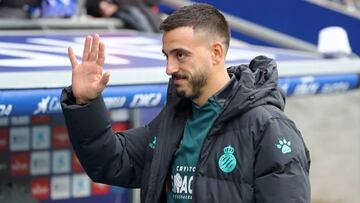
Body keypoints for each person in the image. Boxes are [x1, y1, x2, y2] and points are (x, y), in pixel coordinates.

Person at [61, 3, 311, 202]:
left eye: (180, 54)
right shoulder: (173, 121)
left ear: (216, 53)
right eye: (167, 56)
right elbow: (112, 162)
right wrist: (85, 102)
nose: (169, 68)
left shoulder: (268, 127)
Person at [85, 0, 161, 32]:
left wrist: (116, 5)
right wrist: (101, 5)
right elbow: (89, 5)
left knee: (135, 13)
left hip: (133, 9)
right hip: (120, 12)